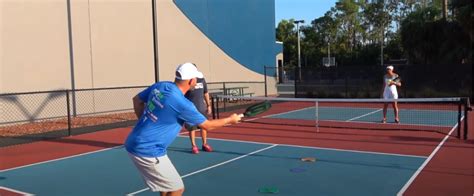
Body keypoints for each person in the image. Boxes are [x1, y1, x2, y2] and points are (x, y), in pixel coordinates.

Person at [125, 62, 241, 196]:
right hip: (148, 149)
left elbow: (136, 100)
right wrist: (230, 120)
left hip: (137, 142)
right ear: (191, 80)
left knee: (166, 188)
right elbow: (207, 125)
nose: (197, 81)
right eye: (196, 79)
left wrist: (143, 121)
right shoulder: (183, 104)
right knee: (177, 188)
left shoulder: (161, 85)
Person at [184, 64, 213, 154]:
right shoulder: (187, 81)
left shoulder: (201, 79)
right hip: (190, 110)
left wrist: (208, 105)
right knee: (192, 128)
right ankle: (194, 146)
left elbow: (206, 93)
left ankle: (204, 144)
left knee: (203, 127)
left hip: (201, 108)